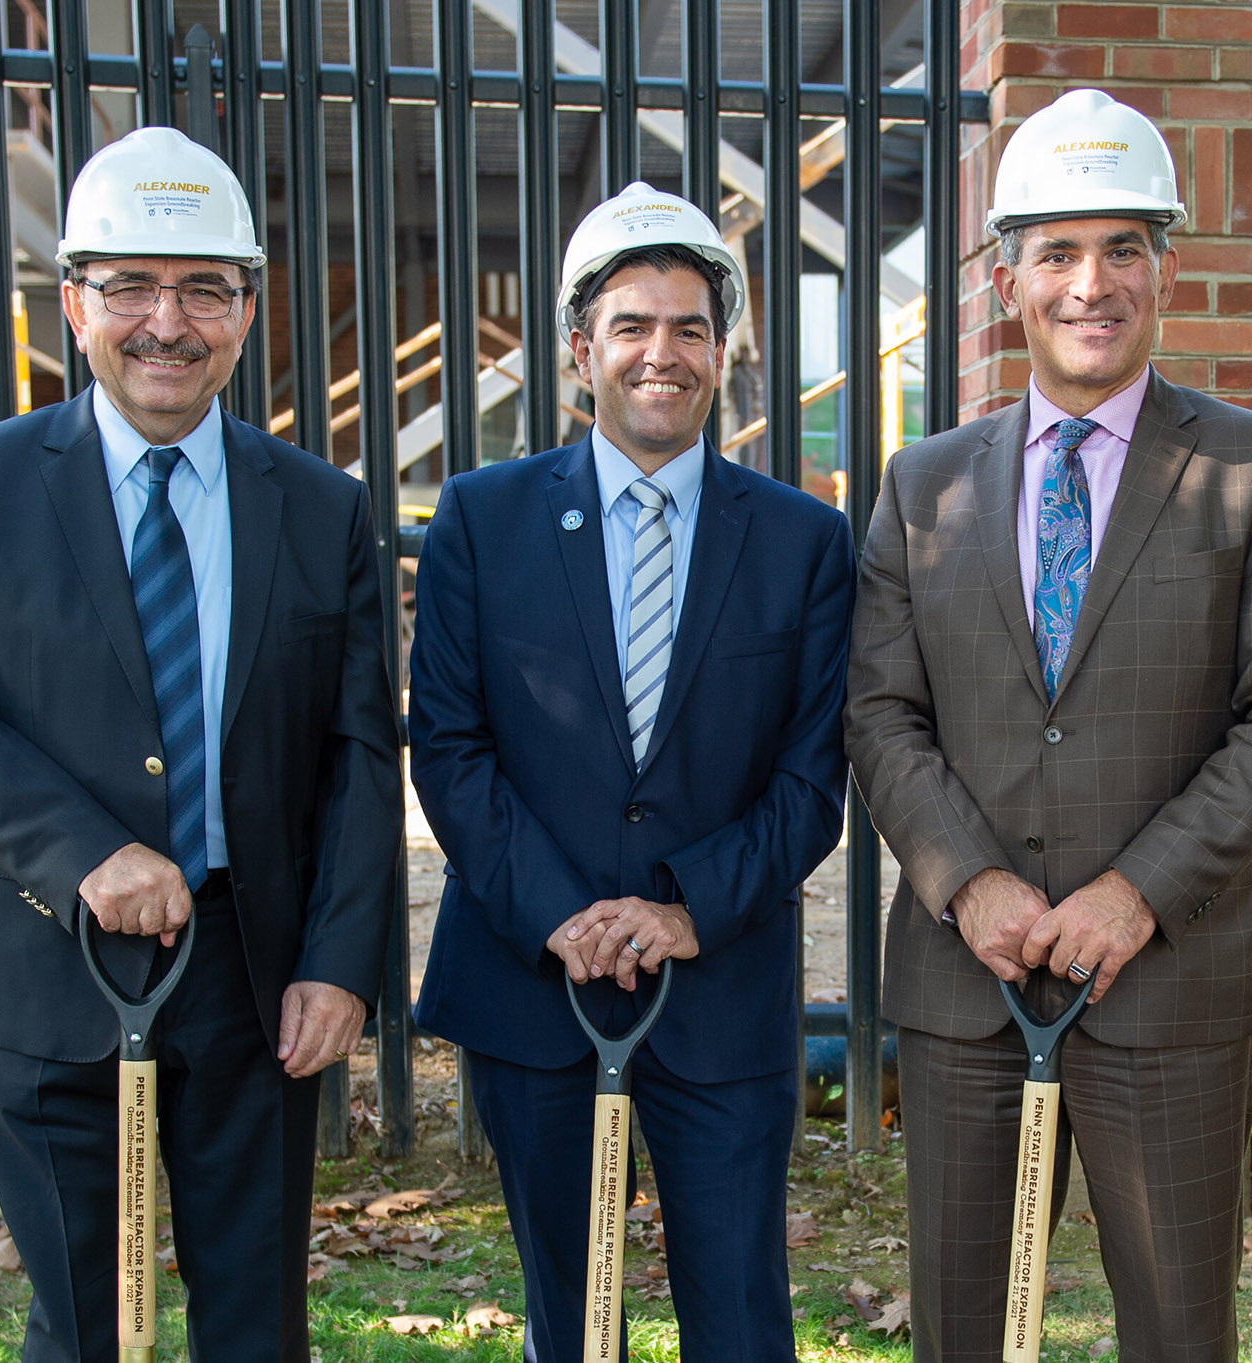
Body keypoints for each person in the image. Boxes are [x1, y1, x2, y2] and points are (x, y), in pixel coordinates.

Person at [843, 89, 1252, 1363]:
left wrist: (1137, 891)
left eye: (1121, 247)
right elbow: (880, 712)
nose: (1089, 283)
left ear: (1165, 272)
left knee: (1178, 1330)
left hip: (1169, 980)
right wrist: (968, 887)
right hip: (971, 981)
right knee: (963, 1327)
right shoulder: (925, 483)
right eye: (1055, 252)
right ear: (1004, 278)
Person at [0, 125, 401, 1362]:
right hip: (38, 961)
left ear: (245, 310)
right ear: (73, 304)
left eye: (203, 291)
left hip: (250, 972)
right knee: (83, 1327)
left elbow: (357, 751)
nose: (165, 322)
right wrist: (85, 855)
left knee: (254, 1323)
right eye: (129, 287)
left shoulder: (319, 507)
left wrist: (339, 964)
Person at [409, 181, 854, 1361]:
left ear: (724, 348)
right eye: (630, 325)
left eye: (690, 327)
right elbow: (450, 752)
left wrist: (682, 909)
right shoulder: (479, 518)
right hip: (530, 983)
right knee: (573, 1311)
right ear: (578, 349)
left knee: (742, 1315)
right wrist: (561, 916)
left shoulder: (804, 540)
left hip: (716, 988)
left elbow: (814, 779)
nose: (663, 353)